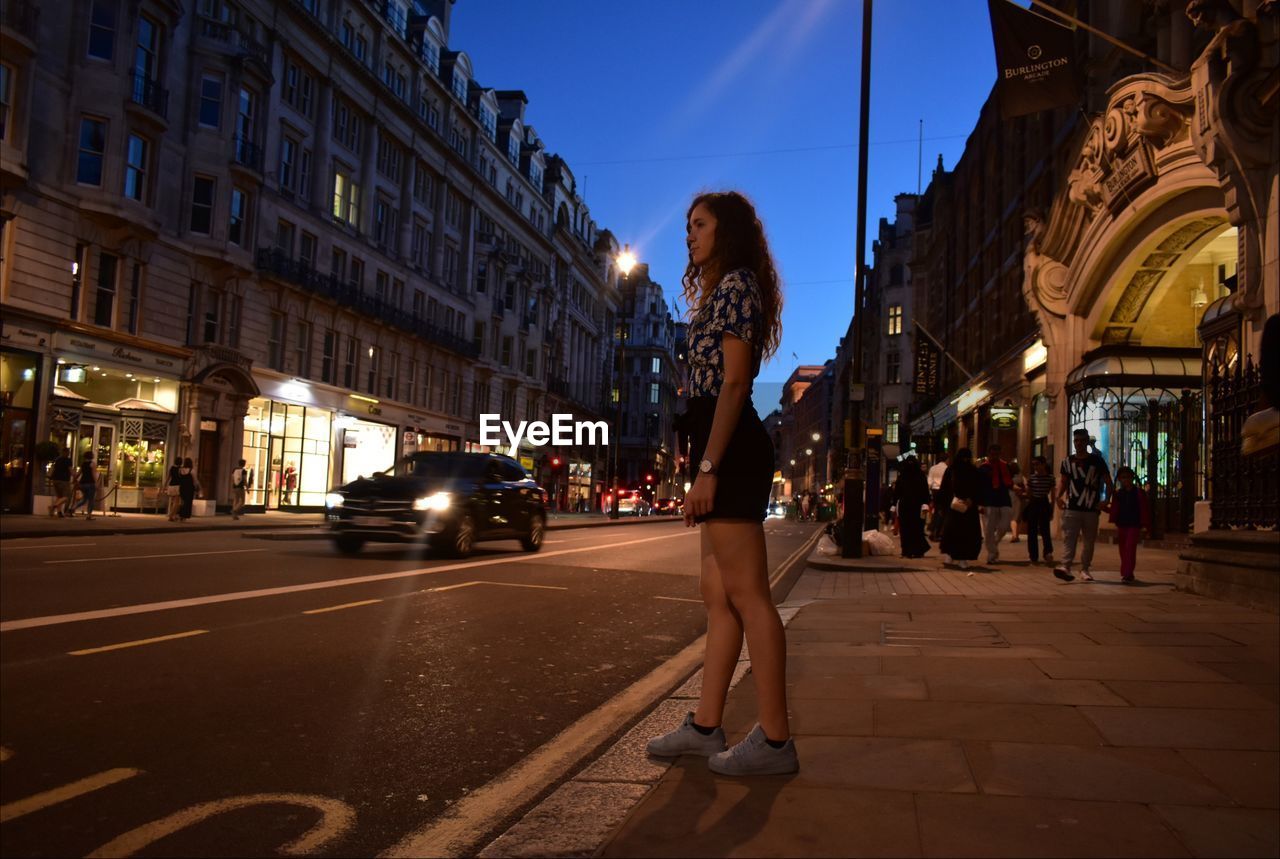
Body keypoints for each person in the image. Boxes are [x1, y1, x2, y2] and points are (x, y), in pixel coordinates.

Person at [646, 190, 796, 776]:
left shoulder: (736, 287)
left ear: (726, 230)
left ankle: (777, 743)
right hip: (717, 440)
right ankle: (706, 726)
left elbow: (735, 385)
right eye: (687, 225)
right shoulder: (720, 291)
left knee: (750, 597)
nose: (690, 234)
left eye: (699, 224)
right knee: (719, 599)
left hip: (728, 448)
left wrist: (707, 470)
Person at [1053, 428, 1115, 582]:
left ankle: (1085, 568)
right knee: (1070, 538)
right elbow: (1063, 482)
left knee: (1088, 541)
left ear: (1087, 441)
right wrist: (1057, 497)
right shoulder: (1067, 461)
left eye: (1082, 440)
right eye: (1076, 440)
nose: (1079, 443)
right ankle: (1066, 566)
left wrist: (1106, 500)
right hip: (1072, 506)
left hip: (1091, 507)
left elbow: (1108, 481)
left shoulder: (1097, 460)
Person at [939, 447, 982, 570]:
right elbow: (945, 488)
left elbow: (944, 489)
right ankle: (954, 556)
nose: (965, 460)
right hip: (958, 506)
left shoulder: (955, 470)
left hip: (962, 507)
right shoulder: (962, 470)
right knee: (958, 532)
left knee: (960, 533)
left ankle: (958, 557)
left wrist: (971, 499)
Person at [1109, 466, 1151, 584]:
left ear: (1132, 478)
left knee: (1130, 548)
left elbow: (1144, 509)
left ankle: (1126, 573)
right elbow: (1115, 509)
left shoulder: (1138, 493)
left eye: (1127, 477)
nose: (1125, 480)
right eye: (1123, 478)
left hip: (1134, 524)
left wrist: (1146, 526)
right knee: (1123, 549)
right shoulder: (1118, 494)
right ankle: (1129, 572)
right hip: (1122, 524)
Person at [978, 443, 1015, 564]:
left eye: (997, 454)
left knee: (1004, 526)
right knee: (988, 529)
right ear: (989, 454)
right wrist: (980, 504)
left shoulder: (1005, 466)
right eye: (993, 454)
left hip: (1004, 499)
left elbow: (1009, 482)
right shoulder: (983, 468)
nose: (995, 456)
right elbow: (980, 487)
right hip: (989, 501)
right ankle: (992, 553)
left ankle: (994, 542)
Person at [1019, 456, 1055, 565]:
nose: (1036, 467)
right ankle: (1033, 556)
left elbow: (1053, 495)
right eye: (1034, 464)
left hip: (1044, 502)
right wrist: (1023, 492)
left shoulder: (1050, 478)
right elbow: (1029, 494)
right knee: (1032, 531)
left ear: (1043, 464)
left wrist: (1052, 509)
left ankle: (1048, 553)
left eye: (1037, 464)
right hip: (1034, 503)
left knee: (1045, 530)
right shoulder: (1032, 478)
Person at [894, 456, 931, 558]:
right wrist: (926, 502)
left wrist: (894, 503)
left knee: (905, 529)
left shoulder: (902, 476)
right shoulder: (921, 476)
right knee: (917, 528)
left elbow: (897, 492)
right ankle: (918, 549)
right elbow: (925, 492)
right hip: (917, 506)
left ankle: (906, 550)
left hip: (905, 505)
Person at [927, 452, 950, 540]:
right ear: (947, 459)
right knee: (943, 512)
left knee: (936, 511)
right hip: (944, 491)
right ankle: (939, 532)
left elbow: (929, 482)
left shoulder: (933, 468)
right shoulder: (947, 468)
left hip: (934, 491)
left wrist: (930, 494)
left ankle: (933, 531)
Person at [48, 447, 73, 518]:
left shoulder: (57, 459)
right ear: (67, 452)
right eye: (68, 452)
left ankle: (59, 512)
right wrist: (75, 476)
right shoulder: (68, 460)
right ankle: (53, 507)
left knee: (59, 496)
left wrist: (50, 476)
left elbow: (53, 468)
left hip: (55, 479)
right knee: (67, 497)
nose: (69, 453)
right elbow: (70, 470)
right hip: (64, 480)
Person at [72, 453, 97, 520]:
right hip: (90, 483)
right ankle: (89, 515)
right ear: (91, 456)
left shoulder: (83, 464)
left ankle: (73, 508)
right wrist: (96, 482)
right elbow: (93, 474)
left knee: (84, 499)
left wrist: (74, 479)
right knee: (91, 500)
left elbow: (78, 474)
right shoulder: (92, 464)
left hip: (82, 483)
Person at [178, 457, 199, 521]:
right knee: (188, 502)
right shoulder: (191, 470)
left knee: (182, 501)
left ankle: (180, 515)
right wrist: (196, 487)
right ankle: (185, 516)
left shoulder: (180, 470)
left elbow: (179, 478)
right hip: (189, 488)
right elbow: (195, 480)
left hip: (182, 487)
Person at [1009, 463, 1026, 543]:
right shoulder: (1021, 477)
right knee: (1018, 518)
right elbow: (1025, 486)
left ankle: (1014, 535)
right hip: (1020, 498)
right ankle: (1016, 535)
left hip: (1011, 497)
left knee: (1013, 518)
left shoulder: (1009, 478)